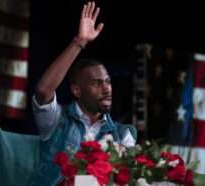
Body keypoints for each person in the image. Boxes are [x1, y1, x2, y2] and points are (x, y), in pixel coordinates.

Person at [30, 2, 137, 186]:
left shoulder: (122, 134)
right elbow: (43, 90)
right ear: (76, 90)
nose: (106, 89)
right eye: (96, 83)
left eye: (108, 82)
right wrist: (79, 42)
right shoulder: (56, 120)